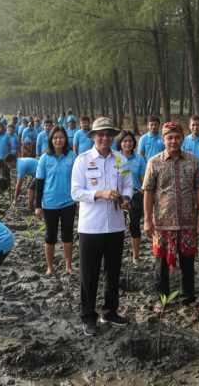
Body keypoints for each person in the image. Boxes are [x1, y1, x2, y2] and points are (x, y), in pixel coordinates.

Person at [71, 117, 134, 336]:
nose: (105, 138)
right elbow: (76, 192)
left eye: (109, 134)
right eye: (101, 134)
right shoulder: (82, 160)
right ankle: (88, 317)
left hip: (115, 226)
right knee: (89, 274)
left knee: (113, 272)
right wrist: (100, 194)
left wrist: (126, 198)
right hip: (91, 227)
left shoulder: (120, 160)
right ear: (93, 137)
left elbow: (128, 185)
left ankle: (110, 311)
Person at [143, 121, 199, 311]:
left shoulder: (193, 160)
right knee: (161, 264)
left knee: (188, 262)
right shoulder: (154, 162)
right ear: (163, 140)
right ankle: (162, 299)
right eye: (169, 138)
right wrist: (147, 219)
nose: (173, 141)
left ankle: (188, 297)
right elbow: (148, 191)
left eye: (177, 137)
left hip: (188, 222)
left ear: (183, 139)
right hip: (162, 223)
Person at [36, 126, 78, 275]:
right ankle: (50, 267)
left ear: (65, 139)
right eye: (55, 138)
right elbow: (39, 183)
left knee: (68, 234)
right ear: (50, 140)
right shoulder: (44, 158)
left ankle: (68, 266)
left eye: (61, 137)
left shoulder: (72, 156)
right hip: (49, 203)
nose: (58, 140)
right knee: (50, 236)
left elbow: (78, 180)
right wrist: (38, 206)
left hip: (68, 202)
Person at [115, 130, 146, 262]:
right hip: (117, 197)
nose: (128, 143)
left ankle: (135, 255)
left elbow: (143, 179)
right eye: (125, 141)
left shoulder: (139, 159)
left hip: (135, 196)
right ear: (120, 143)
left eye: (130, 141)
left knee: (134, 226)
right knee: (117, 227)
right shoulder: (115, 157)